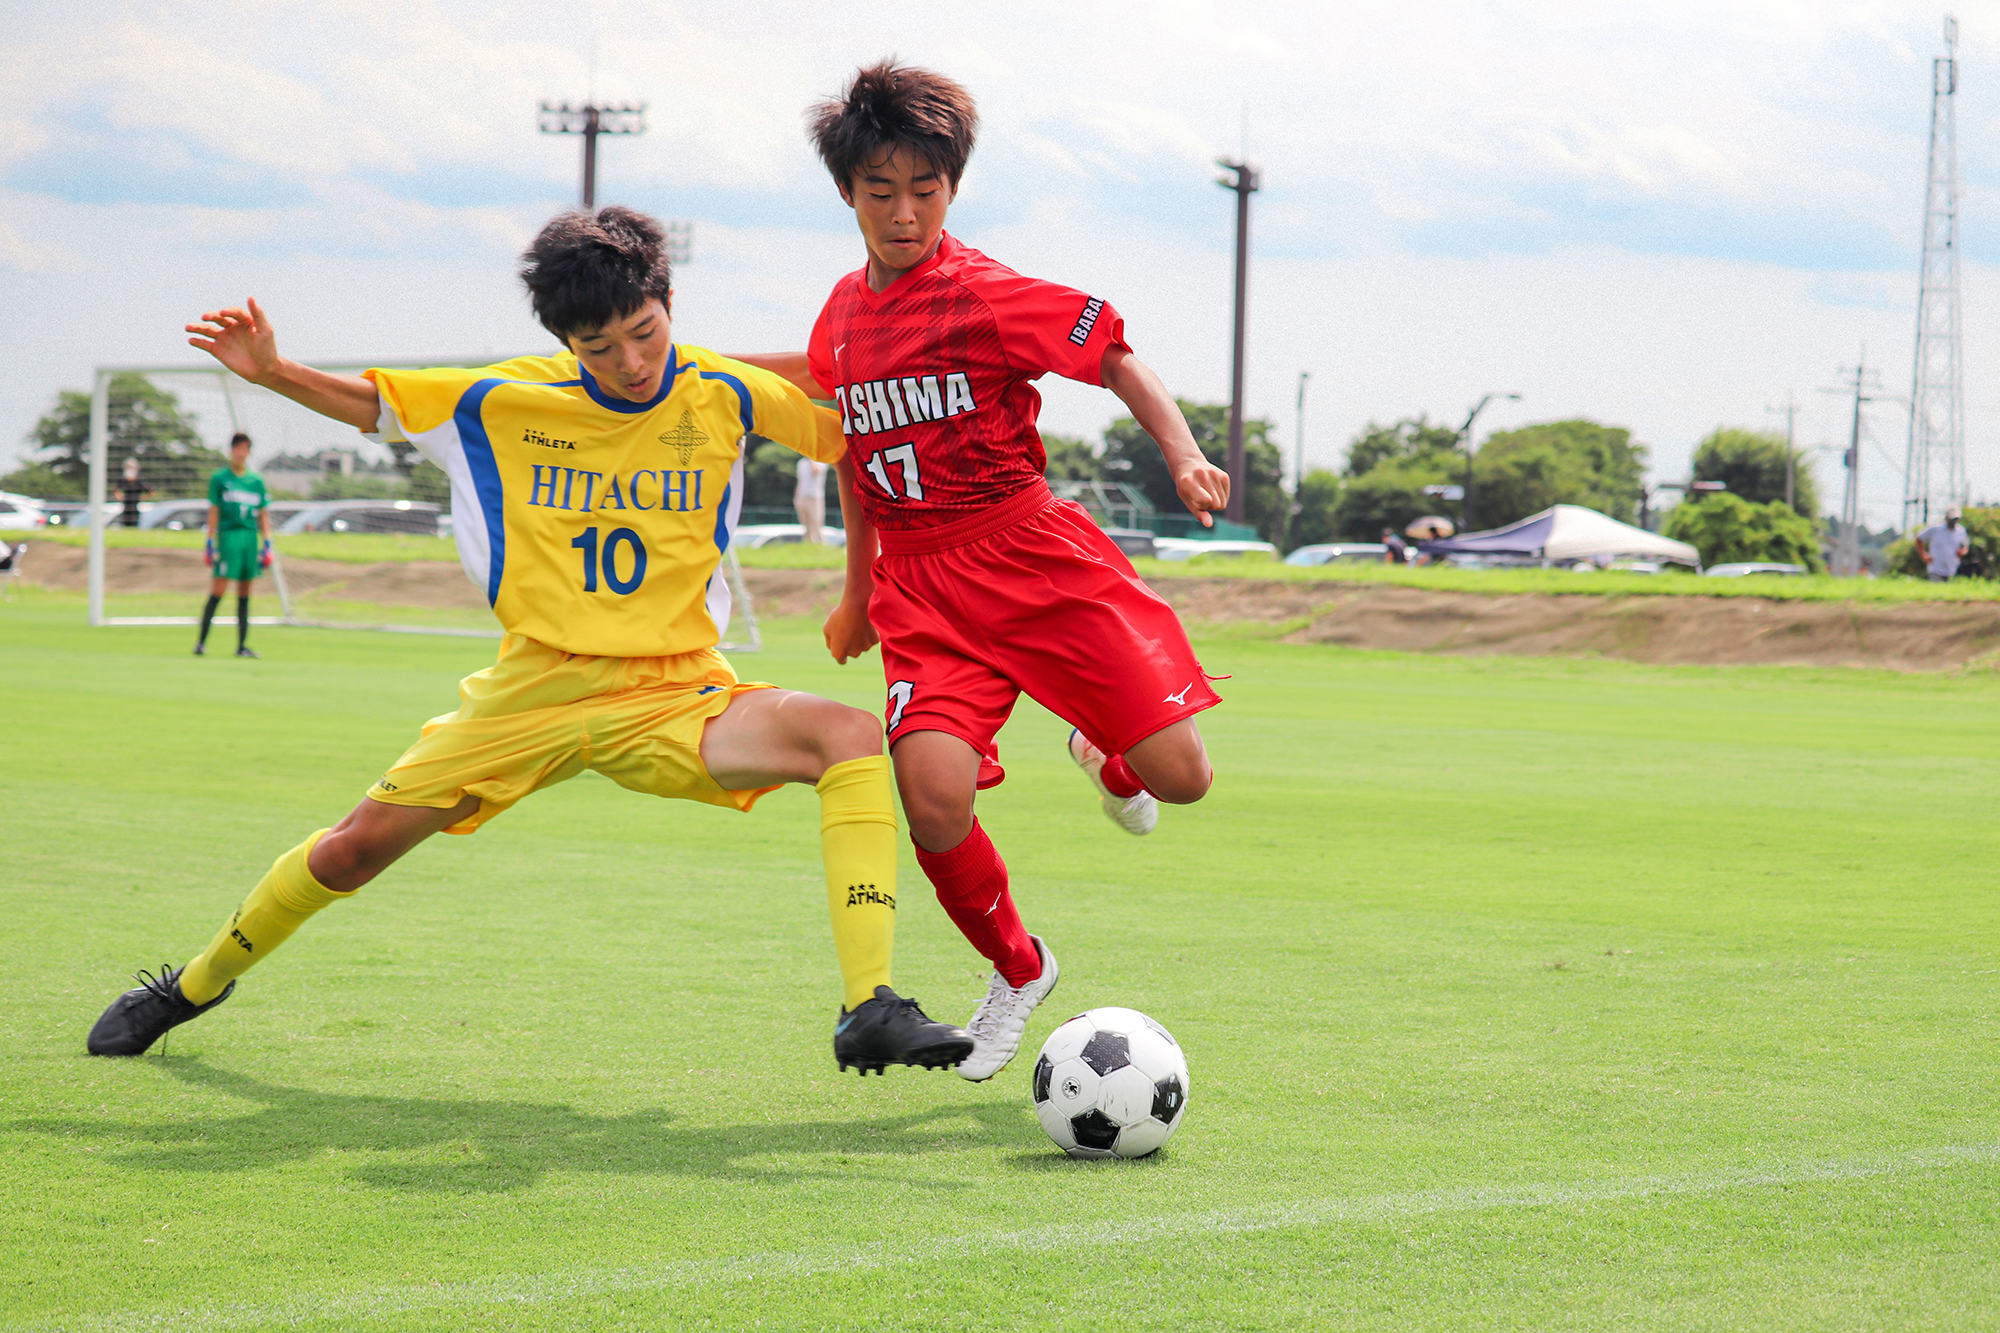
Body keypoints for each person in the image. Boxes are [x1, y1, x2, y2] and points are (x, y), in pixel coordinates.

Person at [86, 206, 972, 1078]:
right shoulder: (501, 400)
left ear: (668, 303)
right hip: (529, 693)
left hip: (673, 694)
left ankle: (870, 1004)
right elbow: (373, 406)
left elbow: (860, 437)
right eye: (600, 349)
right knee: (352, 848)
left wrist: (864, 588)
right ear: (566, 343)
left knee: (851, 736)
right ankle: (194, 985)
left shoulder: (727, 390)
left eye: (646, 332)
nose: (631, 362)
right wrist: (273, 370)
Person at [736, 62, 1231, 1082]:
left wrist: (1181, 453)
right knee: (930, 798)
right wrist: (854, 596)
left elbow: (1118, 356)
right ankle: (1018, 967)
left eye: (926, 189)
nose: (905, 211)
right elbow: (859, 464)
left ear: (953, 188)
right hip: (920, 589)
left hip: (1030, 557)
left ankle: (1109, 756)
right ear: (847, 194)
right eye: (882, 192)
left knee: (1180, 779)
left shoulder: (987, 293)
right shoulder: (837, 321)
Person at [196, 432, 273, 657]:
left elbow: (263, 514)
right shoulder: (220, 478)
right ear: (232, 450)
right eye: (238, 448)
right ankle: (201, 642)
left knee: (245, 590)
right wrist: (209, 541)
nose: (241, 453)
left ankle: (241, 646)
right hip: (228, 537)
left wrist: (267, 542)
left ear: (248, 452)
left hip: (250, 538)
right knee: (219, 588)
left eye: (245, 449)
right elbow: (214, 509)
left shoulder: (255, 481)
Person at [1916, 506, 1970, 582]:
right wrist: (1924, 555)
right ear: (1947, 517)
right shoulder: (1935, 529)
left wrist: (1963, 551)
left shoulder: (1961, 531)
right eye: (1952, 519)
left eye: (1956, 519)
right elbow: (1919, 539)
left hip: (1953, 570)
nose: (1954, 521)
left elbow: (1966, 546)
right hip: (1936, 570)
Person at [795, 456, 829, 544]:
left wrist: (811, 459)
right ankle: (807, 542)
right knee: (806, 525)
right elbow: (800, 480)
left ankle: (820, 542)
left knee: (816, 524)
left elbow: (815, 471)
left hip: (814, 497)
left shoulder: (821, 461)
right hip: (802, 497)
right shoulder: (801, 463)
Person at [117, 456, 152, 529]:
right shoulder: (123, 480)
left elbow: (150, 490)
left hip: (135, 504)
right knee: (125, 520)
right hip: (126, 504)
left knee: (134, 521)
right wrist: (120, 496)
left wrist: (144, 498)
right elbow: (116, 489)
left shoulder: (139, 480)